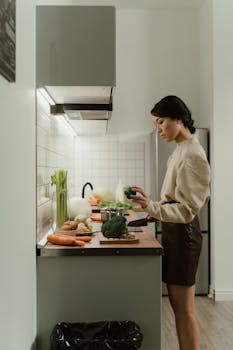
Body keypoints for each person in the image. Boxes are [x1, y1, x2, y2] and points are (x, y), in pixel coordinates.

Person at [131, 95, 210, 350]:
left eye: (161, 122)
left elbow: (188, 210)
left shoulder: (192, 154)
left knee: (184, 310)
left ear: (178, 118)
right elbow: (176, 197)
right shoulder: (181, 150)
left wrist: (154, 207)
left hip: (184, 234)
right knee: (178, 308)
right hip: (175, 232)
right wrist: (155, 206)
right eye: (156, 123)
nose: (159, 129)